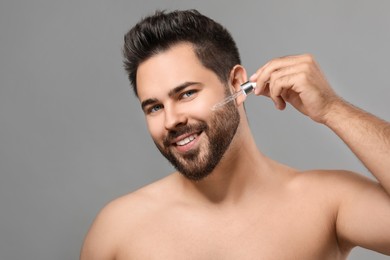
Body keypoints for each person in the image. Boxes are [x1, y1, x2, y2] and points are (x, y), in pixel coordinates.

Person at [80, 9, 390, 259]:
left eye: (186, 94)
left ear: (237, 83)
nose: (171, 120)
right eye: (154, 107)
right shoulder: (118, 229)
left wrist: (333, 109)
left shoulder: (327, 203)